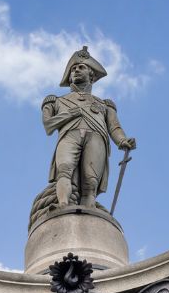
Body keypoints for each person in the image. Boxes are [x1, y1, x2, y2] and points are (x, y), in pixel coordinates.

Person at [41, 47, 136, 209]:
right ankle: (62, 206)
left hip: (96, 137)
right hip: (69, 135)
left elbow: (114, 127)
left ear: (91, 75)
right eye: (73, 69)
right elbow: (48, 125)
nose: (76, 70)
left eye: (81, 67)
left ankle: (89, 213)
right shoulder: (56, 101)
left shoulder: (104, 104)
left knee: (90, 182)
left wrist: (122, 141)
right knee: (64, 171)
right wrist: (71, 114)